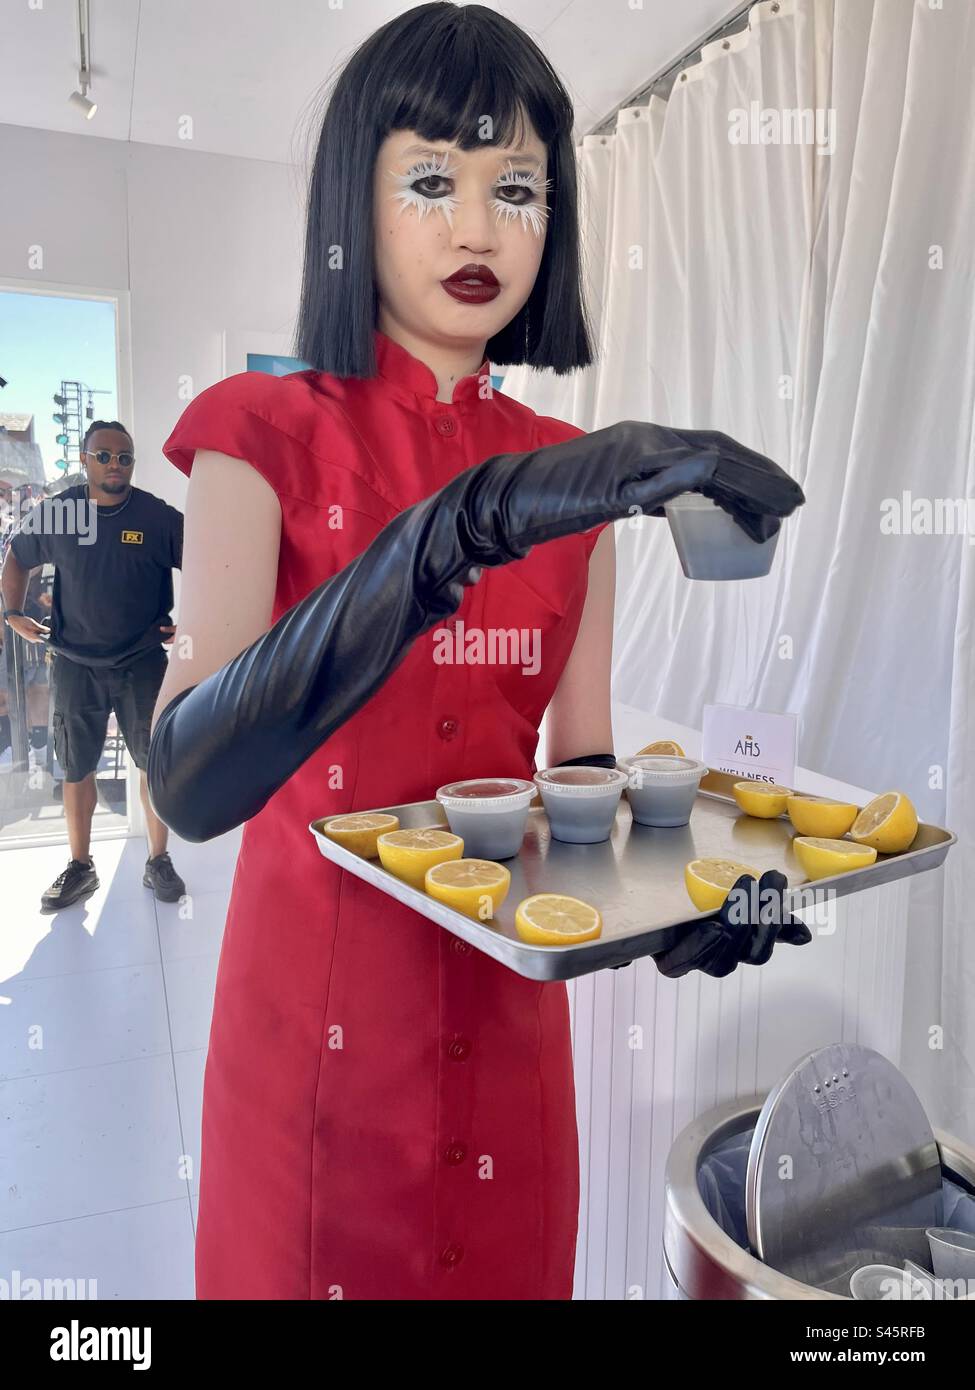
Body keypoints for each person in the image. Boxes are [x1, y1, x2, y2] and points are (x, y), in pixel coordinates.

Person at [146, 4, 806, 1300]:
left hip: (509, 1035)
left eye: (518, 188)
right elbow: (188, 780)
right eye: (431, 179)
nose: (477, 228)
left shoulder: (570, 483)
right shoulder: (256, 432)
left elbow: (587, 776)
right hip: (316, 1041)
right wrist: (465, 521)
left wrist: (679, 902)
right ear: (356, 198)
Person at [1, 422, 186, 909]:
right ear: (84, 460)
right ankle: (81, 868)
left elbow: (214, 563)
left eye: (124, 457)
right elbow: (17, 558)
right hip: (74, 664)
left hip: (142, 663)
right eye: (103, 455)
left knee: (153, 764)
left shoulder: (158, 517)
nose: (115, 465)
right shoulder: (61, 514)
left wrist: (196, 626)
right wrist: (13, 614)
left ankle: (158, 861)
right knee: (76, 767)